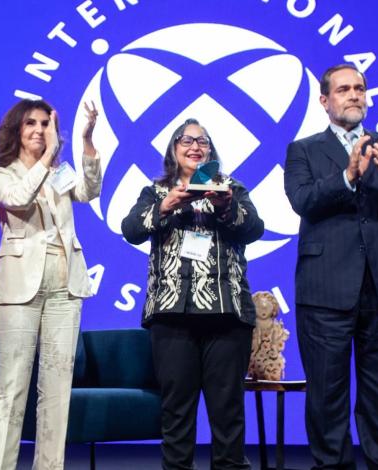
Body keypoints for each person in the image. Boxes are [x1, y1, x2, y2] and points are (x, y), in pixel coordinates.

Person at [284, 64, 378, 470]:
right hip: (325, 288)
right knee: (327, 394)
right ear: (324, 100)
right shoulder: (304, 150)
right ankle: (332, 465)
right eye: (344, 89)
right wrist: (348, 176)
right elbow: (303, 201)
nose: (354, 95)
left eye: (360, 88)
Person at [121, 118, 264, 470]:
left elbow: (254, 228)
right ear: (173, 149)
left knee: (228, 415)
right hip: (172, 317)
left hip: (226, 316)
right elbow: (131, 229)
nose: (195, 146)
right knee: (176, 415)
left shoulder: (231, 189)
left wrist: (224, 206)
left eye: (203, 141)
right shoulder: (155, 192)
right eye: (187, 140)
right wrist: (167, 205)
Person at [0, 99, 100, 470]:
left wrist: (87, 141)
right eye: (31, 123)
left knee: (57, 386)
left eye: (45, 123)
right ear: (17, 130)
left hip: (65, 285)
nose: (38, 129)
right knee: (12, 387)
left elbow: (89, 191)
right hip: (19, 289)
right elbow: (18, 199)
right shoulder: (2, 174)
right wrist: (48, 157)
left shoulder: (58, 172)